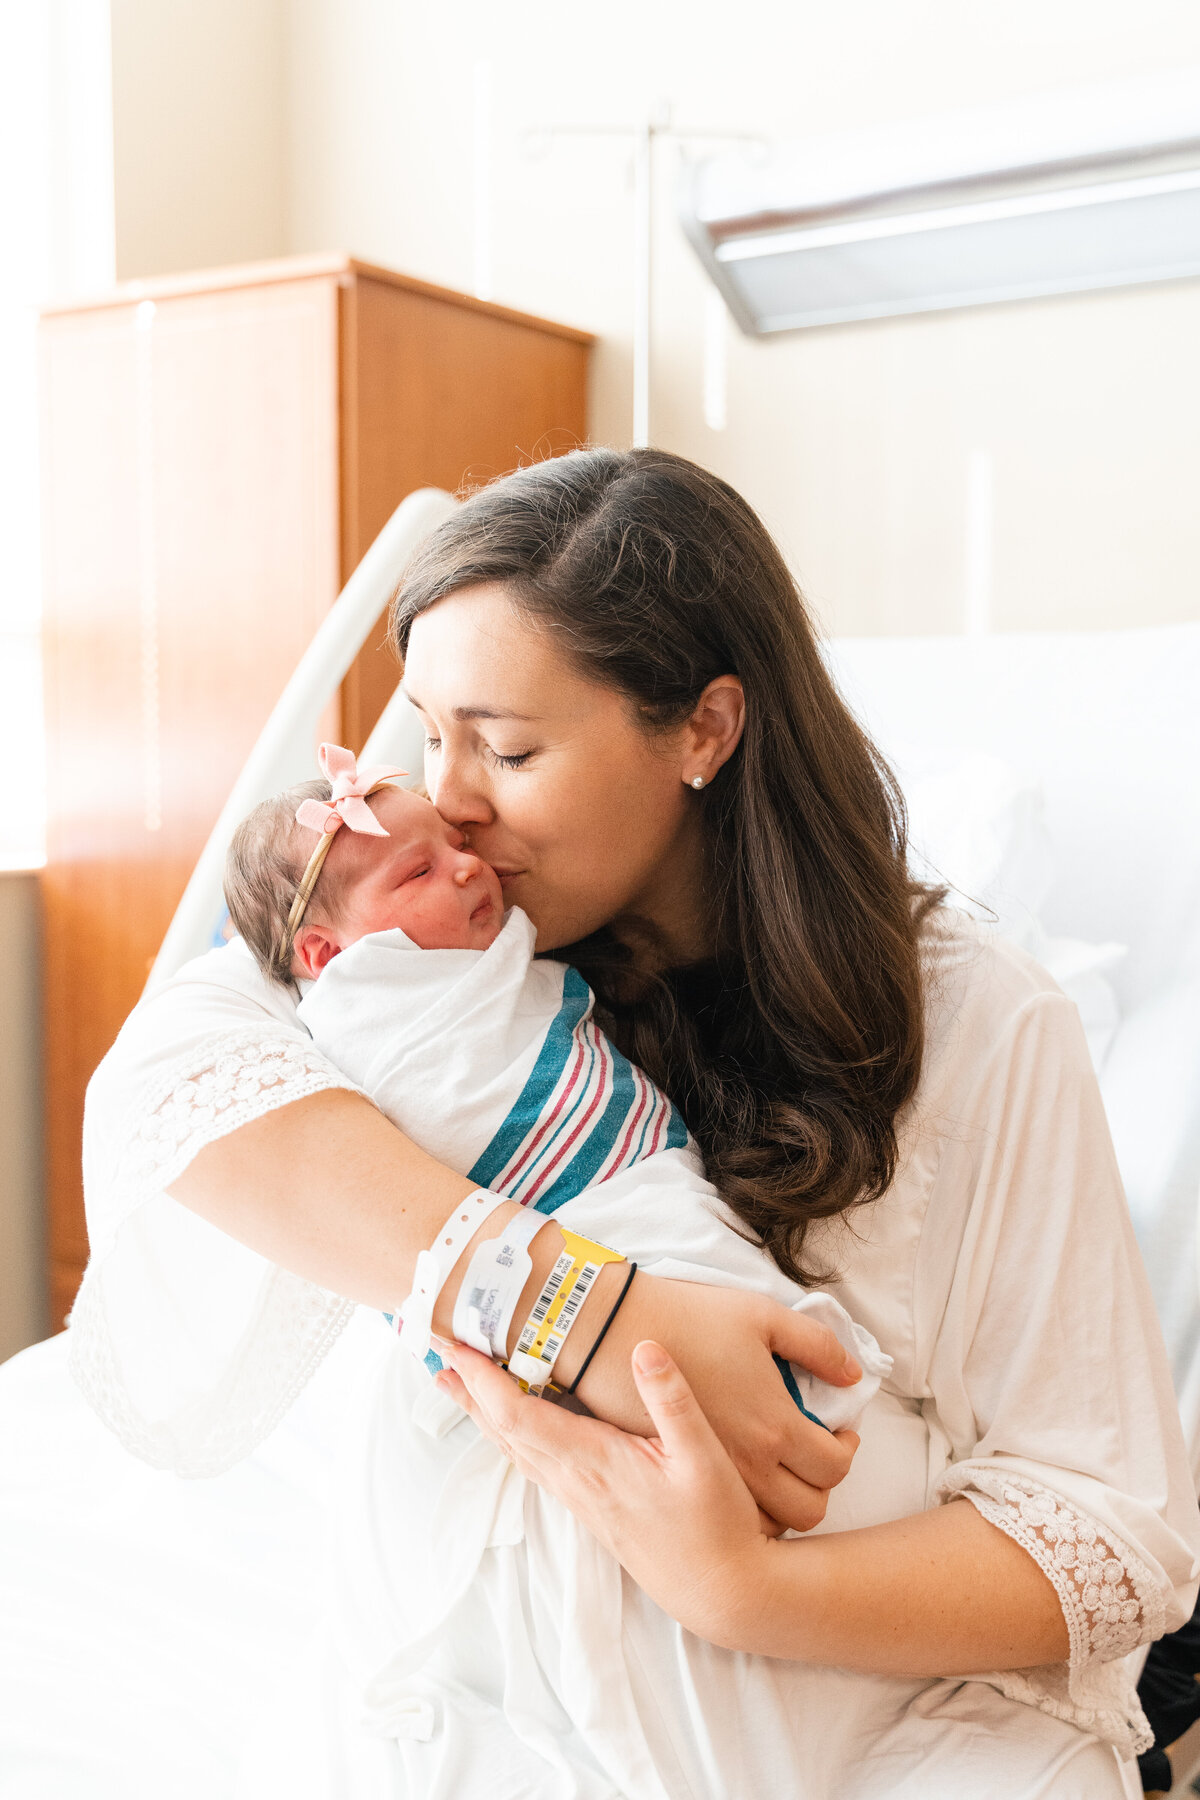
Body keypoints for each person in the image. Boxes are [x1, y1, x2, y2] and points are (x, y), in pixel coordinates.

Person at [73, 447, 1200, 1798]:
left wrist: (742, 1592)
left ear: (704, 731)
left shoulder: (980, 1021)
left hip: (850, 1723)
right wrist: (587, 1317)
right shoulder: (435, 952)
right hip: (479, 1691)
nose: (450, 799)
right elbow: (166, 1082)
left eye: (507, 745)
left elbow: (1113, 1533)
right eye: (429, 733)